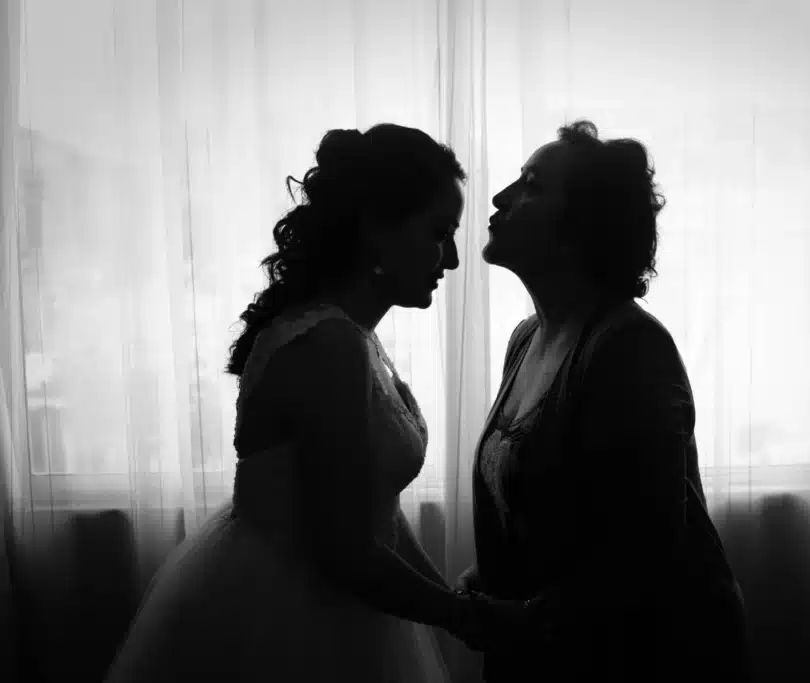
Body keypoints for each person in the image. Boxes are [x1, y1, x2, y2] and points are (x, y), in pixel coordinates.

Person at [104, 124, 530, 683]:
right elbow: (344, 550)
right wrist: (463, 617)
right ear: (376, 228)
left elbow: (376, 511)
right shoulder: (329, 346)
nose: (449, 260)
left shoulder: (355, 337)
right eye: (439, 233)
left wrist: (452, 603)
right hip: (288, 607)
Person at [458, 120, 750, 682]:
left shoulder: (629, 348)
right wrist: (491, 579)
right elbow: (544, 512)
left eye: (531, 185)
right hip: (552, 649)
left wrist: (522, 617)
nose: (500, 198)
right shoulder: (526, 338)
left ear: (581, 227)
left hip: (643, 655)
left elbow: (644, 552)